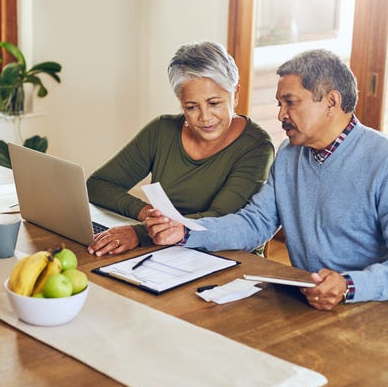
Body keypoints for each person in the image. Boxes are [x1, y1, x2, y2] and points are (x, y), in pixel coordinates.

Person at [146, 49, 388, 311]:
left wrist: (349, 285)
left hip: (369, 308)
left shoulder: (381, 160)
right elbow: (255, 223)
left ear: (331, 102)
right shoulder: (289, 154)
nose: (281, 115)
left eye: (290, 102)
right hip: (309, 303)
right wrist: (184, 231)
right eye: (279, 104)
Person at [87, 41, 275, 256]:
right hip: (166, 250)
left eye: (214, 103)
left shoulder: (256, 146)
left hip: (226, 256)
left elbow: (221, 218)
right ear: (180, 101)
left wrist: (140, 233)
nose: (205, 117)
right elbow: (98, 185)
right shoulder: (162, 130)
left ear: (236, 94)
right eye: (191, 107)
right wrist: (148, 215)